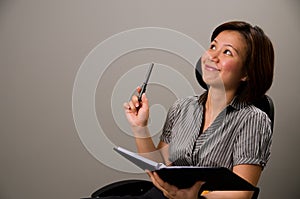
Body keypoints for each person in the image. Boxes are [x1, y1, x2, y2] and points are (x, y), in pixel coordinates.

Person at [113, 21, 274, 199]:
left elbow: (243, 192)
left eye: (227, 52)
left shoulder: (253, 119)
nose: (213, 56)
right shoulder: (182, 107)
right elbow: (160, 168)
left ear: (246, 73)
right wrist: (139, 127)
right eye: (213, 46)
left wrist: (195, 198)